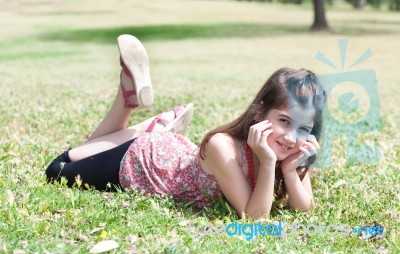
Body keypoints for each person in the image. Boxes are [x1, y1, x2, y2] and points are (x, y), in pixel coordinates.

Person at [46, 34, 327, 220]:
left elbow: (304, 209)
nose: (291, 137)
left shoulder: (287, 151)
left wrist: (291, 170)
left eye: (304, 129)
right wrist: (267, 165)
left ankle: (147, 121)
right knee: (57, 169)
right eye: (284, 121)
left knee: (80, 155)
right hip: (143, 164)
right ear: (259, 112)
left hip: (175, 153)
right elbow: (253, 218)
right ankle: (136, 113)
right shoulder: (223, 146)